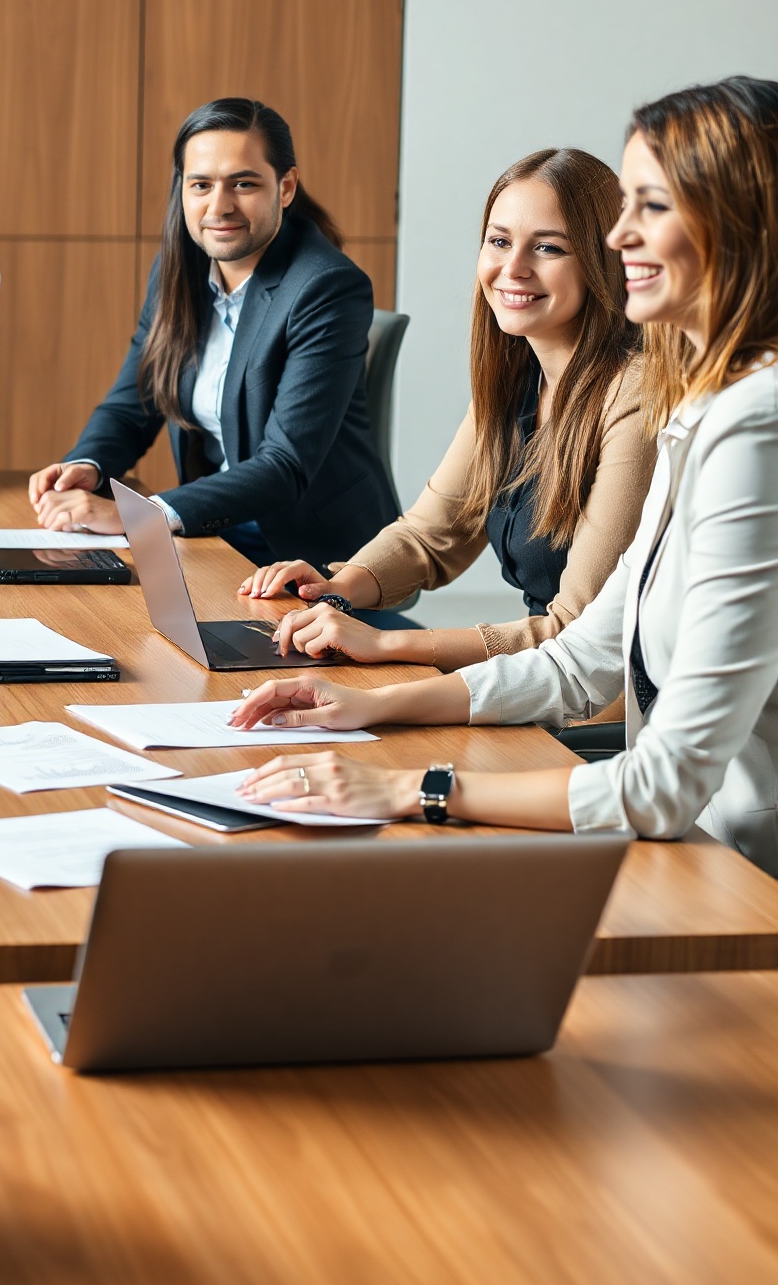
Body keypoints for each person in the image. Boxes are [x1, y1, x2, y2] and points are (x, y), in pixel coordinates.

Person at [230, 78, 778, 877]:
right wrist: (370, 703)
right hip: (696, 853)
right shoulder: (701, 405)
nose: (621, 235)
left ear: (745, 227)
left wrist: (410, 789)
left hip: (743, 872)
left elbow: (661, 784)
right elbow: (584, 656)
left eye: (651, 207)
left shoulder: (752, 427)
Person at [237, 149, 653, 669]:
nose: (513, 268)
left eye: (547, 248)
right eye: (499, 242)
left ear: (603, 262)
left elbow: (576, 633)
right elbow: (432, 534)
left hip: (604, 697)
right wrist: (334, 591)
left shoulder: (635, 395)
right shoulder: (514, 381)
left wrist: (386, 644)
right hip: (539, 677)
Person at [28, 97, 394, 564]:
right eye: (201, 184)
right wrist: (87, 465)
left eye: (243, 183)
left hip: (310, 550)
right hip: (212, 530)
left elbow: (284, 466)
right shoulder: (178, 272)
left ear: (285, 187)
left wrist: (140, 515)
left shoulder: (327, 287)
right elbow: (134, 403)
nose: (218, 206)